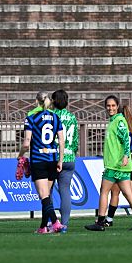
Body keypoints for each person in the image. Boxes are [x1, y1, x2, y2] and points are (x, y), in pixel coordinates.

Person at [85, 95, 132, 231]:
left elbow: (125, 138)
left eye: (113, 105)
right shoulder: (115, 121)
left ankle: (100, 222)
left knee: (104, 192)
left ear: (117, 106)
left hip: (114, 165)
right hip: (120, 165)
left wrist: (125, 155)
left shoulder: (119, 121)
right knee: (128, 193)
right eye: (108, 106)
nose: (110, 108)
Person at [21, 95, 65, 234]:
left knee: (44, 196)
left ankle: (55, 222)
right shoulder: (55, 117)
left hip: (39, 160)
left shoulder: (31, 118)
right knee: (47, 196)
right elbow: (61, 141)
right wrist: (60, 160)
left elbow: (27, 142)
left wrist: (19, 155)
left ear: (36, 102)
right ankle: (42, 227)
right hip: (52, 159)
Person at [52, 89, 79, 232]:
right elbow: (75, 141)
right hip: (70, 157)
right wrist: (72, 152)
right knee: (65, 190)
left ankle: (50, 222)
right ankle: (65, 223)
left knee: (47, 191)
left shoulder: (52, 116)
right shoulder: (72, 117)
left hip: (54, 157)